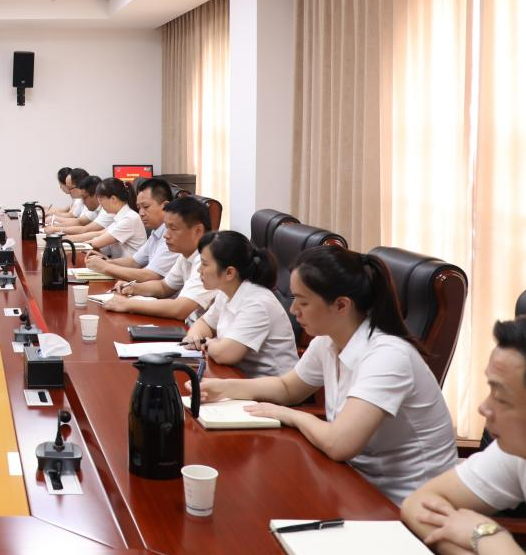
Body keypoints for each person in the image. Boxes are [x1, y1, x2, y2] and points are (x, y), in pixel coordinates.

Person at [194, 245, 456, 504]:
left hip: (405, 505)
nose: (293, 310)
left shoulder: (388, 356)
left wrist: (291, 415)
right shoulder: (328, 341)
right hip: (350, 482)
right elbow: (288, 388)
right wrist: (224, 388)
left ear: (341, 305)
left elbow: (339, 444)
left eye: (303, 301)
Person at [402, 313, 526, 555]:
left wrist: (488, 536)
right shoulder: (523, 451)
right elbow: (418, 503)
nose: (483, 407)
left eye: (501, 398)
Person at [181, 231, 298, 377]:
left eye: (204, 264)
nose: (199, 270)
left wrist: (206, 343)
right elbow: (204, 323)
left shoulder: (257, 303)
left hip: (269, 386)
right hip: (236, 376)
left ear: (229, 273)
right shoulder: (227, 291)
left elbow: (226, 354)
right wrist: (194, 337)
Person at [103, 196, 214, 322]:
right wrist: (134, 288)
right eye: (166, 228)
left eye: (173, 228)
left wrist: (127, 304)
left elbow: (180, 309)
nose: (166, 235)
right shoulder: (185, 255)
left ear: (198, 231)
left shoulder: (208, 260)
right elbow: (164, 287)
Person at [87, 177, 179, 284]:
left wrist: (106, 267)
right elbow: (134, 262)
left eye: (146, 207)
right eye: (139, 208)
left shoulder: (172, 236)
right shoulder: (156, 232)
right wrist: (107, 262)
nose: (141, 213)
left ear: (165, 206)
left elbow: (151, 275)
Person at [63, 177, 146, 259]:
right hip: (118, 263)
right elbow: (100, 234)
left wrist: (69, 244)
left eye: (101, 199)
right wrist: (68, 239)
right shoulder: (121, 216)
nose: (100, 203)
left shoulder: (129, 219)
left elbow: (97, 242)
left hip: (127, 266)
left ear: (113, 199)